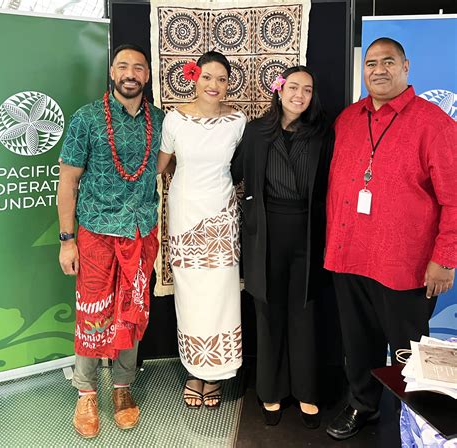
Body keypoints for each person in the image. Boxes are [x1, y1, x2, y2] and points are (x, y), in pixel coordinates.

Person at [325, 37, 456, 440]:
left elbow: (454, 197)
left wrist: (446, 258)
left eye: (387, 62)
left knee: (407, 349)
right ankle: (362, 404)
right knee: (358, 341)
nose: (378, 70)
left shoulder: (434, 123)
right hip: (349, 256)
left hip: (406, 264)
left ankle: (415, 419)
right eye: (370, 63)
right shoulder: (347, 119)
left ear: (406, 67)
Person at [57, 44, 164, 438]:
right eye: (123, 66)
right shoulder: (86, 119)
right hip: (96, 234)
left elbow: (164, 165)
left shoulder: (160, 120)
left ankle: (122, 387)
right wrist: (67, 240)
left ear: (148, 76)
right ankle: (86, 391)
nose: (131, 72)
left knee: (132, 311)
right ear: (113, 73)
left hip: (139, 233)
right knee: (93, 310)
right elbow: (67, 182)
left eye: (139, 66)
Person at [231, 66, 334, 427]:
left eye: (307, 90)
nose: (299, 96)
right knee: (268, 312)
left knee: (304, 312)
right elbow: (234, 172)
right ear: (280, 90)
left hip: (307, 232)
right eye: (293, 87)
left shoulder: (322, 132)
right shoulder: (257, 132)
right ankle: (270, 392)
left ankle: (306, 391)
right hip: (266, 233)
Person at [157, 51, 246, 409]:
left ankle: (218, 373)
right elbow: (161, 165)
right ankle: (195, 372)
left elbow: (248, 163)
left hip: (222, 219)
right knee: (191, 295)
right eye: (207, 77)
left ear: (228, 84)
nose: (214, 85)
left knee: (221, 295)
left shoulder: (238, 121)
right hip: (185, 217)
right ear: (195, 78)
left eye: (221, 79)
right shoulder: (174, 121)